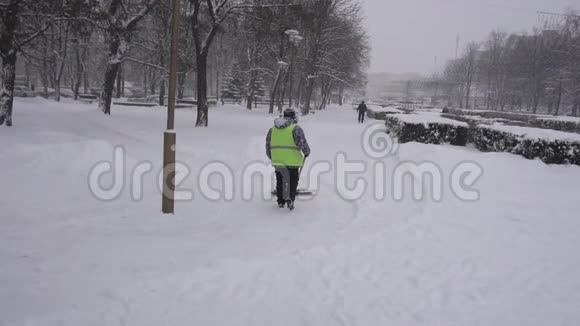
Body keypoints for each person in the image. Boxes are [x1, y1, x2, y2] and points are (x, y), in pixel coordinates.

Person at [266, 108, 311, 210]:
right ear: (294, 117)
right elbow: (302, 143)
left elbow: (268, 145)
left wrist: (272, 156)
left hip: (278, 160)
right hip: (292, 160)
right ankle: (290, 198)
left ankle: (280, 200)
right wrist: (307, 152)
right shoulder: (295, 128)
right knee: (293, 179)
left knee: (280, 179)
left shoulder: (272, 129)